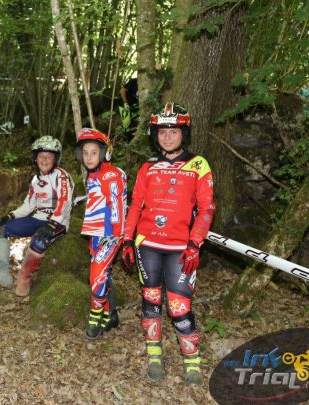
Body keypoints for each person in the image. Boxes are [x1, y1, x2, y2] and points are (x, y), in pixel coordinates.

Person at [121, 103, 215, 384]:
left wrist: (195, 243)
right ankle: (154, 356)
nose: (167, 137)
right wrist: (127, 239)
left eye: (173, 131)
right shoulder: (148, 166)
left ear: (183, 133)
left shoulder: (198, 165)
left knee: (178, 306)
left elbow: (207, 208)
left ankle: (192, 359)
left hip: (181, 248)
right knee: (151, 300)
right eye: (162, 131)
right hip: (147, 244)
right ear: (155, 134)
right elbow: (136, 204)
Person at [0, 136, 74, 297]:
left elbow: (65, 202)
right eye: (41, 156)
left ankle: (24, 279)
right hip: (38, 218)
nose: (44, 160)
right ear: (35, 158)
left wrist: (52, 224)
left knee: (39, 240)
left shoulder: (62, 176)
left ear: (56, 159)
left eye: (49, 156)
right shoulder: (36, 179)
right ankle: (2, 274)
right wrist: (10, 216)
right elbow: (28, 206)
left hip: (58, 222)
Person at [75, 128, 127, 339]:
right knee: (103, 276)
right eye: (85, 153)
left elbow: (117, 206)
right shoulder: (92, 174)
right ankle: (110, 314)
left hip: (110, 234)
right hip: (95, 234)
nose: (89, 157)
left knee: (96, 275)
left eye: (93, 152)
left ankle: (95, 314)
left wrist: (116, 235)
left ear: (104, 153)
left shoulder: (111, 174)